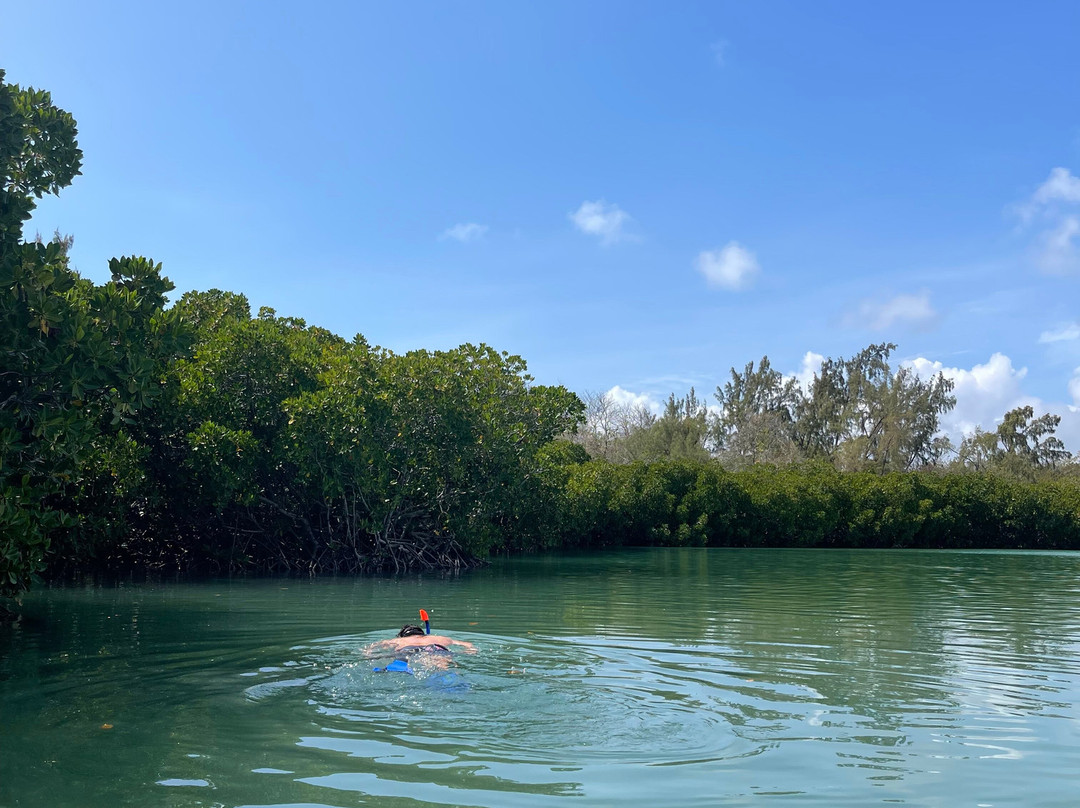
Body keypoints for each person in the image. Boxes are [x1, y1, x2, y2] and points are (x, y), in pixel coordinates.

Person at [365, 624, 476, 672]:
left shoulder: (398, 641)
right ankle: (445, 674)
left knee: (402, 660)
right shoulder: (440, 638)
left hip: (408, 650)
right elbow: (468, 645)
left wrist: (369, 654)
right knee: (441, 664)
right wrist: (468, 651)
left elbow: (372, 647)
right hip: (436, 648)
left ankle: (395, 667)